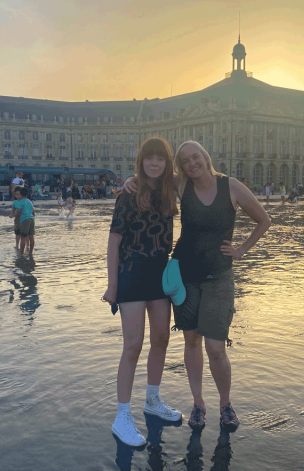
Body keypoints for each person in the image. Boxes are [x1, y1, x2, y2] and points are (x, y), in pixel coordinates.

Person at [122, 141, 271, 433]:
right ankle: (198, 403)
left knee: (215, 347)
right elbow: (152, 176)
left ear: (205, 156)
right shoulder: (181, 185)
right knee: (191, 341)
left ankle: (225, 403)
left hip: (219, 276)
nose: (192, 164)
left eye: (195, 157)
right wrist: (131, 180)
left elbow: (264, 220)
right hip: (185, 276)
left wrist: (240, 250)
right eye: (185, 161)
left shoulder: (231, 187)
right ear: (181, 167)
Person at [103, 137, 181, 447]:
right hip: (132, 275)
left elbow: (192, 176)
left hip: (159, 275)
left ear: (166, 163)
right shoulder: (128, 196)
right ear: (141, 160)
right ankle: (122, 416)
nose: (154, 163)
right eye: (148, 158)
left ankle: (152, 399)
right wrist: (112, 285)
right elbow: (113, 242)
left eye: (160, 159)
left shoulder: (168, 192)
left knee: (161, 339)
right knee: (133, 344)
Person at [12, 187, 35, 254]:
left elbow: (18, 213)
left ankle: (21, 253)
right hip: (31, 219)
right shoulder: (30, 202)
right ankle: (30, 252)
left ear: (21, 194)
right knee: (31, 236)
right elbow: (33, 212)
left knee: (23, 237)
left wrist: (15, 222)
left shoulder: (20, 202)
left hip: (25, 220)